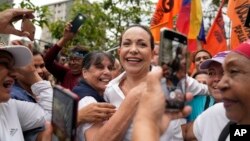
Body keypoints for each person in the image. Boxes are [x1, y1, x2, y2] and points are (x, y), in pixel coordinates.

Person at [185, 41, 250, 141]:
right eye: (211, 73)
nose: (220, 83)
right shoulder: (217, 112)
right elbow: (183, 132)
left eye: (233, 71)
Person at [0, 45, 53, 141]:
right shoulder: (15, 96)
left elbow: (52, 114)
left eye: (13, 67)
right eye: (4, 64)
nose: (13, 74)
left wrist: (32, 73)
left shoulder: (8, 106)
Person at [132, 66, 192, 141]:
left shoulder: (178, 87)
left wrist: (147, 123)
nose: (167, 72)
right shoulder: (158, 85)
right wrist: (148, 122)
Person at [72, 51, 117, 140]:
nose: (107, 72)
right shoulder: (88, 101)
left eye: (110, 68)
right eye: (100, 67)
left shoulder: (101, 93)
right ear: (85, 73)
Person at [44, 23, 89, 90]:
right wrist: (65, 38)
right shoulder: (66, 73)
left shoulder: (90, 77)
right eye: (70, 59)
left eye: (77, 59)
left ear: (86, 61)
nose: (72, 62)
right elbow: (48, 61)